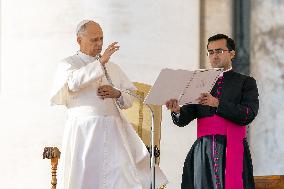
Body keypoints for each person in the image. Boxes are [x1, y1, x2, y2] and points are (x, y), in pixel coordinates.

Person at [50, 20, 167, 189]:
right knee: (85, 179)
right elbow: (73, 83)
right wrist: (100, 62)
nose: (99, 44)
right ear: (79, 40)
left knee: (120, 178)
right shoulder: (68, 64)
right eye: (94, 40)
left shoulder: (113, 67)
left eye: (101, 39)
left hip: (114, 133)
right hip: (84, 133)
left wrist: (117, 93)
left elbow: (131, 97)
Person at [166, 34, 259, 189]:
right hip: (204, 151)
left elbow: (249, 113)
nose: (214, 56)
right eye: (211, 52)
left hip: (232, 148)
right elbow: (185, 118)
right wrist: (177, 111)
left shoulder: (246, 82)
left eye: (219, 51)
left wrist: (217, 103)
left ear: (232, 53)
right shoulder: (199, 81)